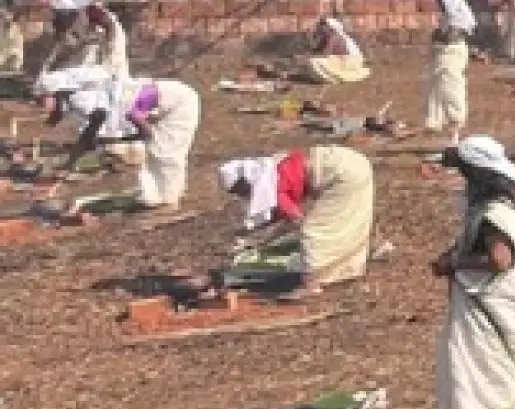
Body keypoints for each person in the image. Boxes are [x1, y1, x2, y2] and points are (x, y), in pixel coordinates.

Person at [433, 138, 515, 409]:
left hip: (494, 292)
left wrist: (453, 263)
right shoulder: (508, 194)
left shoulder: (498, 209)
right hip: (505, 286)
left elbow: (499, 259)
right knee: (491, 354)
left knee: (482, 355)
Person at [216, 145, 377, 294]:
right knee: (349, 218)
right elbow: (279, 215)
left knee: (314, 232)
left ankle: (311, 283)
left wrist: (260, 242)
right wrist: (250, 236)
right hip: (352, 161)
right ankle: (362, 256)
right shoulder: (274, 168)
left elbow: (294, 220)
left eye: (240, 190)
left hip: (342, 175)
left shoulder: (275, 188)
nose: (241, 195)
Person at [47, 73, 204, 210]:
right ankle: (158, 196)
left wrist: (146, 133)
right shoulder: (86, 101)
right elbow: (92, 129)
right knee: (157, 151)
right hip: (161, 107)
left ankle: (169, 200)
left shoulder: (86, 101)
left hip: (181, 105)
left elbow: (127, 117)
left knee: (165, 152)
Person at [427, 0, 475, 139]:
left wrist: (439, 35)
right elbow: (437, 35)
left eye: (441, 3)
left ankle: (455, 124)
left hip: (452, 54)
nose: (439, 6)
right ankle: (439, 121)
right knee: (439, 87)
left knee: (451, 87)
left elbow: (449, 37)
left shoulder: (458, 21)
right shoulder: (445, 19)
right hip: (443, 55)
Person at [304, 16, 370, 85]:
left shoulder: (334, 37)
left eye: (324, 26)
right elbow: (315, 50)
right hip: (339, 60)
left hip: (349, 62)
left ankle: (335, 78)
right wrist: (309, 37)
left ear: (330, 28)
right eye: (321, 26)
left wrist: (311, 56)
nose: (322, 28)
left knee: (315, 62)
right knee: (313, 61)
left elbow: (326, 54)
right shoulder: (326, 37)